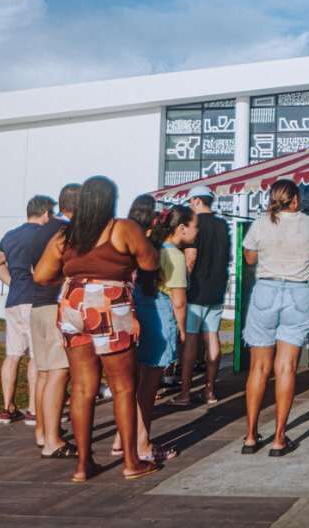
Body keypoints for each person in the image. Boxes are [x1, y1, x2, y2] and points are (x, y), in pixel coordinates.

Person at [33, 176, 159, 483]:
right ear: (109, 201)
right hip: (109, 305)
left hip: (73, 304)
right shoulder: (122, 228)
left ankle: (83, 464)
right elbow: (150, 262)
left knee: (82, 388)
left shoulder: (66, 235)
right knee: (123, 387)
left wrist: (74, 280)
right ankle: (131, 462)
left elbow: (41, 275)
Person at [241, 179, 309, 456]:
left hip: (266, 289)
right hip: (298, 293)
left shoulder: (262, 222)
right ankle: (279, 439)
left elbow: (250, 259)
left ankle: (251, 436)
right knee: (286, 368)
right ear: (296, 200)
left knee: (258, 369)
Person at [112, 197, 192, 463]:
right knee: (148, 387)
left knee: (132, 384)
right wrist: (181, 330)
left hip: (136, 311)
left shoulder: (144, 249)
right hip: (160, 314)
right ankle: (142, 443)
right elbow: (178, 300)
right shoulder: (174, 256)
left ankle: (123, 438)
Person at [28, 184, 80, 458]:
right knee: (59, 372)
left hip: (37, 305)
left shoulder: (42, 230)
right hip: (55, 306)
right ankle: (52, 440)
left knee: (45, 373)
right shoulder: (65, 232)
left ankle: (42, 432)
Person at [0, 195, 53, 424]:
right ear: (46, 213)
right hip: (35, 299)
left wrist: (12, 282)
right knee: (36, 356)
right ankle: (33, 410)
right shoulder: (45, 235)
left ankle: (7, 407)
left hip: (14, 300)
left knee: (13, 355)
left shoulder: (10, 235)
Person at [173, 184, 230, 406]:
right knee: (212, 336)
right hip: (217, 288)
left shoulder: (193, 224)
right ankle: (210, 390)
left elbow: (191, 258)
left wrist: (183, 283)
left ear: (196, 201)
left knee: (191, 341)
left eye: (190, 202)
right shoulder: (222, 224)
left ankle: (185, 392)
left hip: (196, 289)